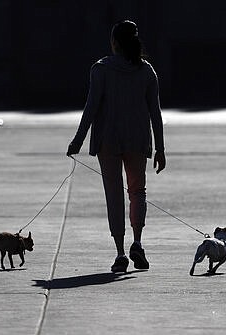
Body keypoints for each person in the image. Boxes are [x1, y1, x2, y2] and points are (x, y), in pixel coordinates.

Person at [66, 20, 166, 273]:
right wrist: (160, 149)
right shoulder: (146, 72)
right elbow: (156, 114)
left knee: (114, 194)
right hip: (137, 139)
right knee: (137, 192)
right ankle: (138, 243)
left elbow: (91, 108)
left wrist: (77, 141)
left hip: (107, 141)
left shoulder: (100, 69)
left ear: (114, 43)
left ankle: (121, 252)